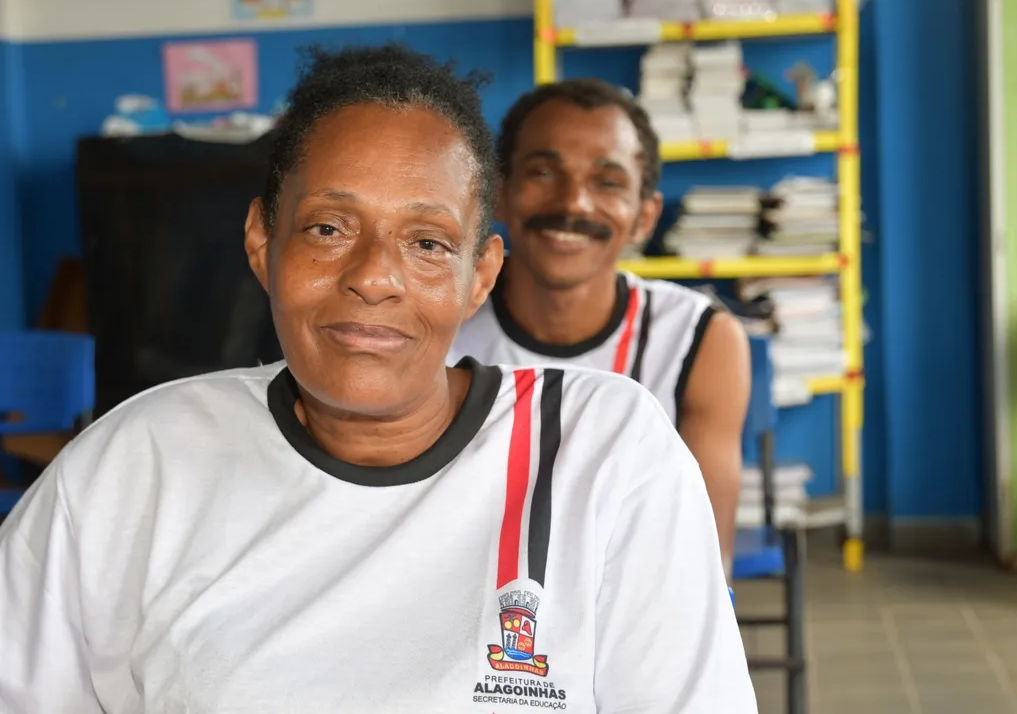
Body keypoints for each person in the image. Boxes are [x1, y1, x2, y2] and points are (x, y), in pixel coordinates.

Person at [0, 45, 757, 713]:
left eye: (427, 242)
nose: (373, 277)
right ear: (263, 243)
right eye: (329, 228)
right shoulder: (136, 464)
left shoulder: (606, 452)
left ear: (479, 275)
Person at [448, 79, 751, 574]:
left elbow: (704, 562)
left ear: (644, 217)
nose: (574, 204)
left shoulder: (700, 338)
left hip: (630, 611)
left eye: (607, 182)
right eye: (543, 172)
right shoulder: (440, 323)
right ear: (498, 193)